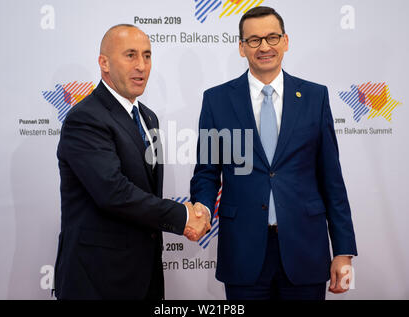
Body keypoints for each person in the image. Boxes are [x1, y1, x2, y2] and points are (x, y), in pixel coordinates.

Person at [190, 7, 357, 300]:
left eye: (271, 37)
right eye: (254, 40)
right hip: (243, 250)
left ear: (286, 41)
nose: (264, 46)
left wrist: (343, 250)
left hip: (306, 248)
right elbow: (206, 172)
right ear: (242, 48)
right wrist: (201, 207)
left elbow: (331, 179)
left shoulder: (315, 97)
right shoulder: (216, 100)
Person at [53, 24, 210, 300]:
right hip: (98, 278)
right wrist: (182, 216)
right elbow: (113, 193)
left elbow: (145, 190)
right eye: (130, 55)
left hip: (145, 275)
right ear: (104, 63)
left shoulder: (149, 117)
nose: (141, 65)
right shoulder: (86, 118)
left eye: (147, 56)